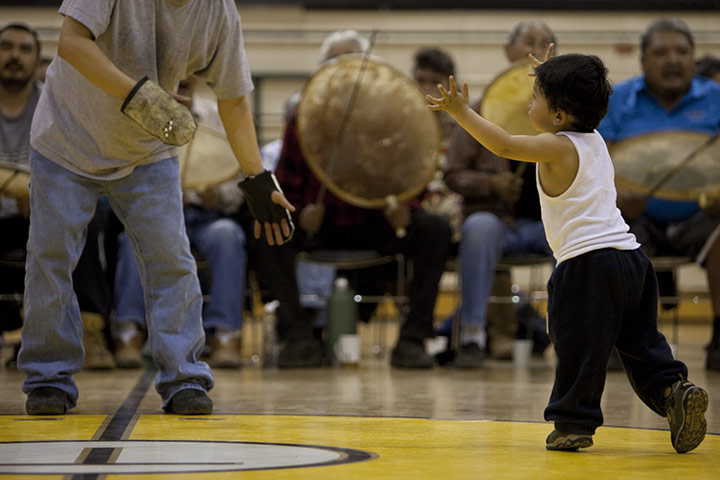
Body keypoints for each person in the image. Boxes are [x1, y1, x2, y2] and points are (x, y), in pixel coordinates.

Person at [19, 0, 294, 416]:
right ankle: (48, 378)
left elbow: (234, 102)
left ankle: (184, 378)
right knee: (50, 257)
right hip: (67, 138)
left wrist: (257, 179)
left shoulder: (218, 12)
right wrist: (138, 92)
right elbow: (71, 44)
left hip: (147, 150)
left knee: (172, 260)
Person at [428, 49, 708, 453]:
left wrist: (459, 112)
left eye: (536, 96)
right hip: (632, 260)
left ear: (559, 115)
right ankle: (673, 391)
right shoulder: (594, 141)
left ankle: (573, 423)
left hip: (588, 265)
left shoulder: (556, 147)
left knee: (578, 345)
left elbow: (503, 145)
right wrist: (555, 76)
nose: (529, 101)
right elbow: (568, 103)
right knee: (641, 342)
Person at [251, 30, 452, 368]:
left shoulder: (391, 118)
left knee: (434, 228)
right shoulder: (300, 118)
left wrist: (406, 210)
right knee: (266, 225)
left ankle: (413, 340)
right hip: (320, 226)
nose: (344, 71)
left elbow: (410, 176)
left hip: (377, 222)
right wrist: (299, 215)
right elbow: (284, 186)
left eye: (353, 62)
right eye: (335, 62)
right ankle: (298, 336)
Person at [598, 18, 720, 371]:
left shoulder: (715, 98)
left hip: (702, 220)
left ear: (694, 59)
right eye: (661, 52)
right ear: (642, 61)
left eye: (683, 52)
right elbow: (596, 161)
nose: (673, 60)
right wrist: (619, 196)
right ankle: (619, 341)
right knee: (603, 233)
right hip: (635, 220)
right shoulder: (618, 99)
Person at [437, 21, 556, 367]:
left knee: (576, 236)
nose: (535, 49)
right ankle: (473, 336)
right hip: (499, 223)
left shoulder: (564, 116)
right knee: (479, 228)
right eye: (528, 42)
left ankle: (573, 334)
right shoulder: (478, 108)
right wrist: (492, 185)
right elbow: (453, 173)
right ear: (508, 52)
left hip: (547, 225)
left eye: (546, 43)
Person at [112, 76, 250, 369]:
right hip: (155, 215)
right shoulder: (138, 112)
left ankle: (225, 336)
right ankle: (128, 332)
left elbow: (239, 181)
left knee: (228, 236)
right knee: (130, 240)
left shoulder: (217, 116)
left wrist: (219, 195)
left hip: (206, 217)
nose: (182, 76)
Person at [0, 22, 115, 371]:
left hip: (45, 207)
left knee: (91, 216)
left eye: (24, 49)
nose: (14, 56)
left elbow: (78, 164)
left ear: (38, 61)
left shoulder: (56, 104)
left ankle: (91, 329)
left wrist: (40, 196)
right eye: (6, 47)